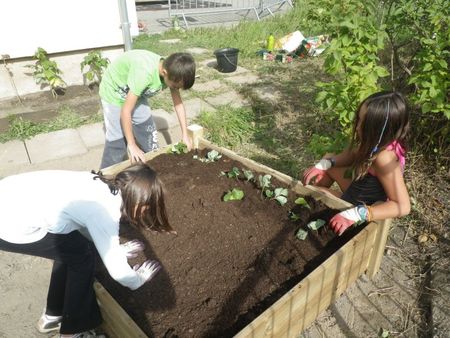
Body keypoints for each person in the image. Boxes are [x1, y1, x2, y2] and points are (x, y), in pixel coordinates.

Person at [0, 163, 175, 338]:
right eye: (147, 207)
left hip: (9, 195)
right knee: (82, 258)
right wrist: (137, 279)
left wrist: (114, 249)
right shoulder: (105, 210)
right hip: (10, 224)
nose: (146, 212)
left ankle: (52, 317)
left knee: (72, 249)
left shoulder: (99, 183)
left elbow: (85, 224)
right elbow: (119, 273)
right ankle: (71, 333)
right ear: (139, 200)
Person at [302, 91, 411, 235]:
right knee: (328, 160)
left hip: (359, 206)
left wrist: (355, 214)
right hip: (359, 187)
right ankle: (321, 209)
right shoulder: (381, 140)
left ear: (379, 129)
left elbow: (403, 206)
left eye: (363, 124)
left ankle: (322, 214)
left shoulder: (385, 158)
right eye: (359, 120)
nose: (358, 127)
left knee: (315, 194)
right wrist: (325, 164)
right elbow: (352, 154)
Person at [99, 49, 196, 169]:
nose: (176, 88)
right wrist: (132, 144)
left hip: (135, 92)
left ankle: (151, 163)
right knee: (117, 140)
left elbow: (178, 104)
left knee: (148, 130)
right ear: (164, 72)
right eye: (175, 86)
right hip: (114, 92)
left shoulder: (174, 72)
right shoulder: (145, 74)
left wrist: (185, 135)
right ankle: (105, 175)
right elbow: (125, 111)